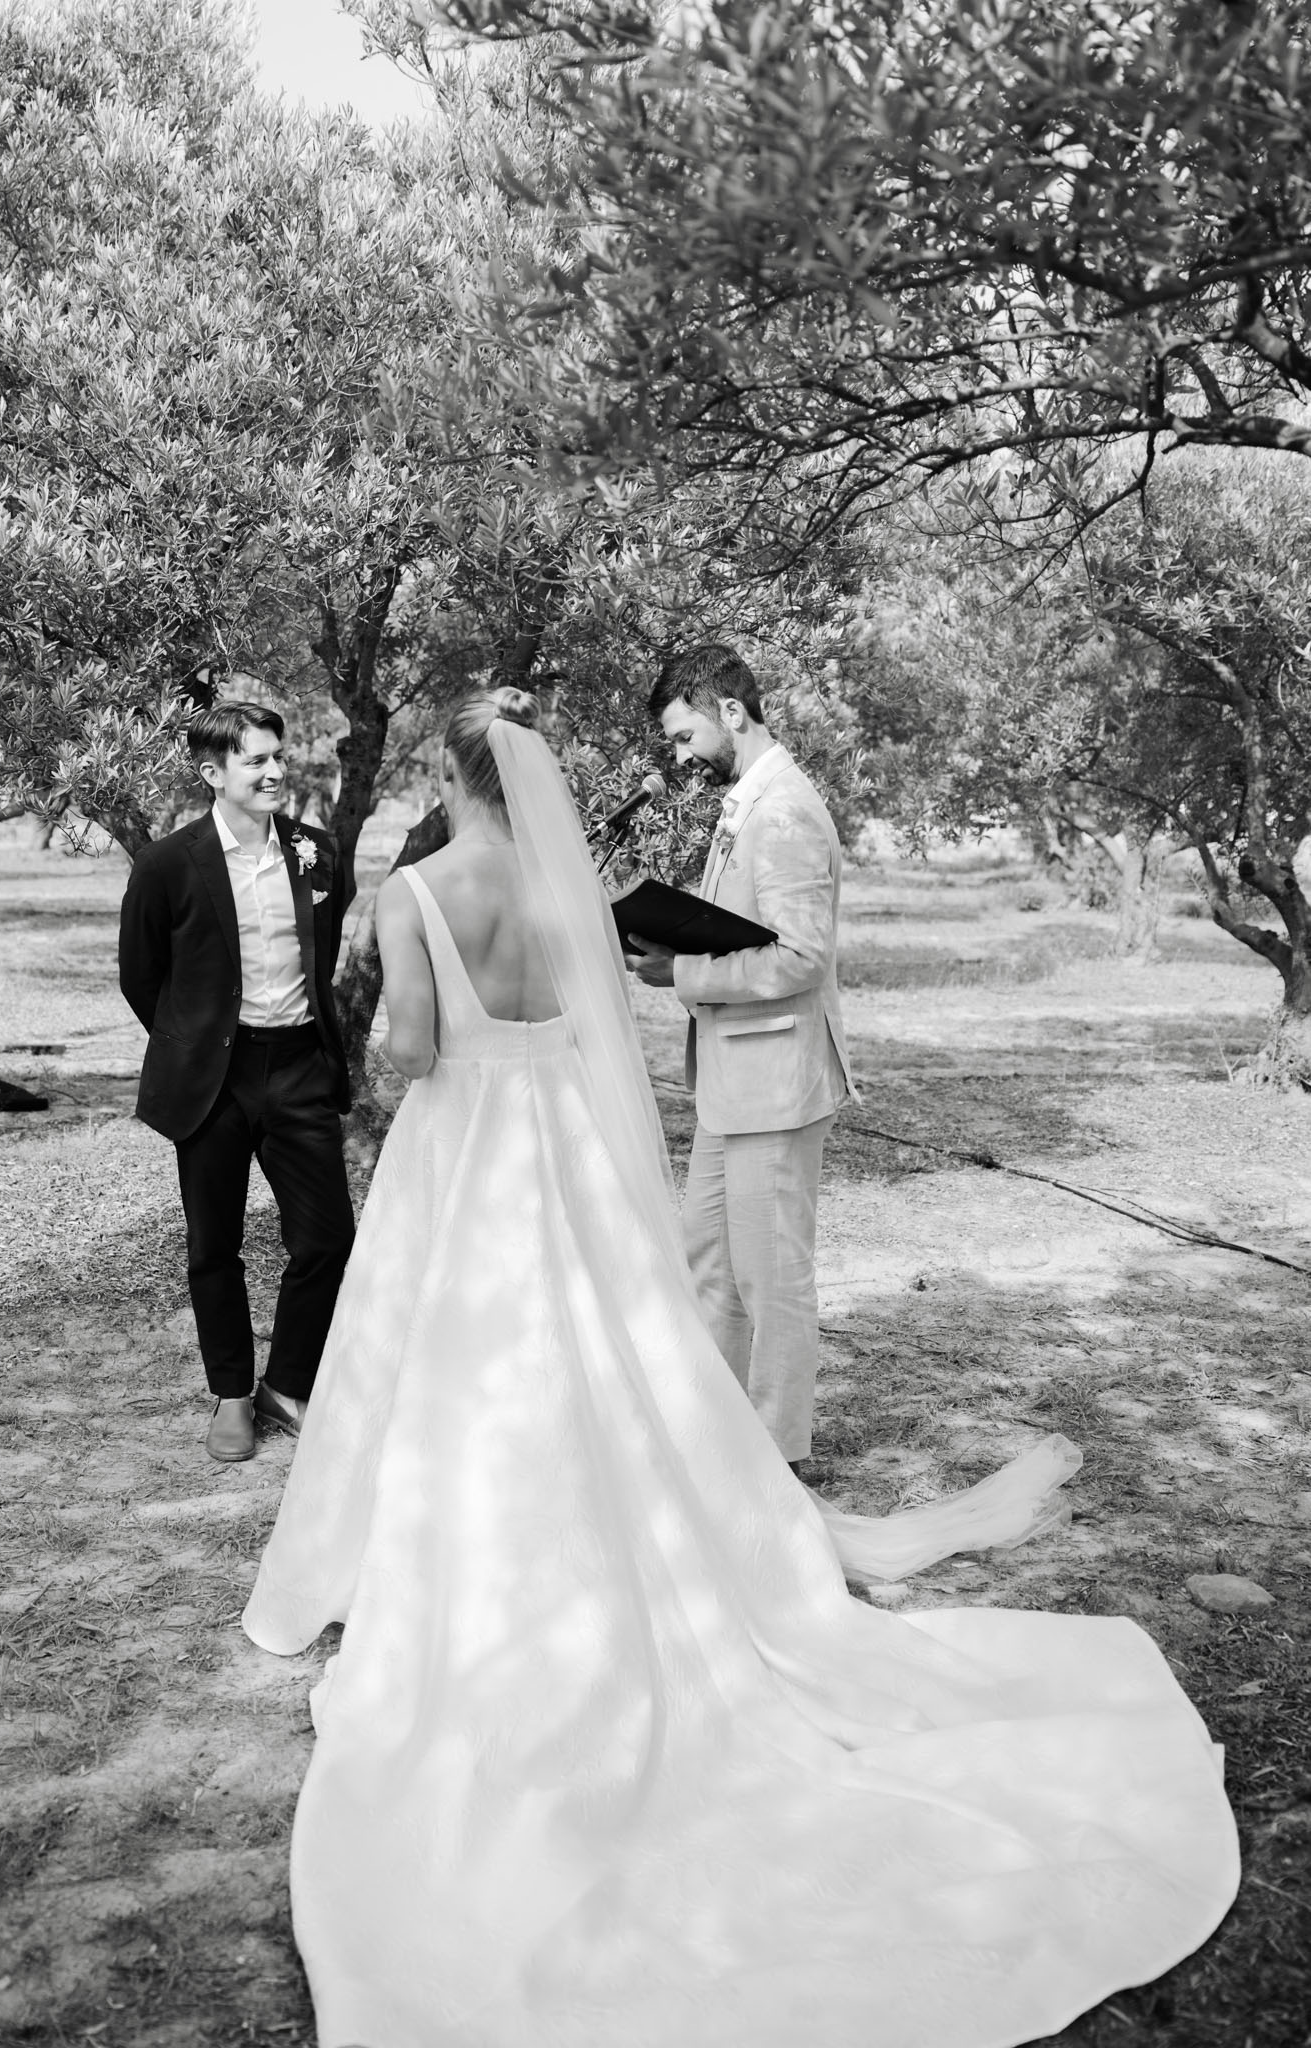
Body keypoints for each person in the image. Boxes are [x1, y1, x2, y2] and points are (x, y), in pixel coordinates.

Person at [241, 687, 1237, 2048]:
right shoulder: (569, 898)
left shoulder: (416, 892)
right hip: (567, 1166)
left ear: (443, 775)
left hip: (462, 1158)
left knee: (462, 1369)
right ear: (525, 776)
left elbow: (409, 1050)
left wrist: (412, 1047)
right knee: (603, 1356)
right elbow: (597, 1045)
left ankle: (476, 1569)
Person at [627, 644, 851, 1468]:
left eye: (684, 737)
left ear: (729, 709)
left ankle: (779, 1457)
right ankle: (717, 1441)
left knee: (771, 1276)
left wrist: (680, 970)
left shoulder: (785, 811)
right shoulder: (747, 801)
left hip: (775, 1082)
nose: (681, 759)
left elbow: (801, 958)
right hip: (732, 1080)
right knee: (710, 1266)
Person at [118, 700, 354, 1463]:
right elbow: (141, 975)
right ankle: (230, 1393)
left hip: (298, 1070)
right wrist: (195, 1046)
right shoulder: (166, 865)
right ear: (211, 773)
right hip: (213, 1080)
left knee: (327, 1239)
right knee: (212, 1246)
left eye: (277, 755)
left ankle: (286, 1388)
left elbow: (326, 955)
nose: (275, 771)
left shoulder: (318, 854)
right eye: (254, 760)